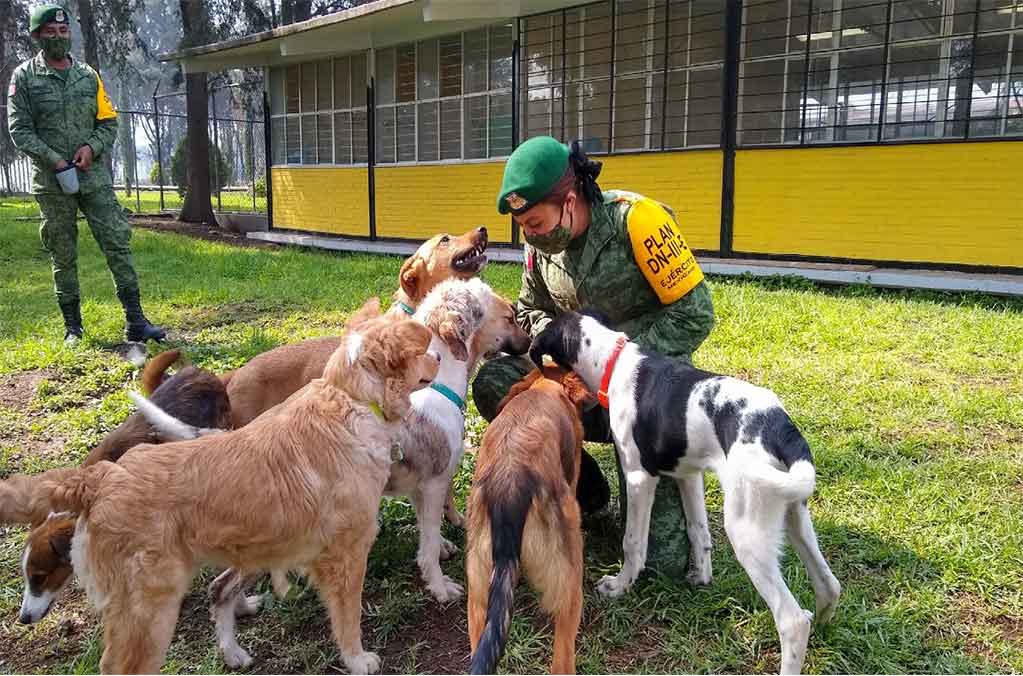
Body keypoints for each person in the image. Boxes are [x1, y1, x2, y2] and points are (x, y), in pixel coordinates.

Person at [472, 135, 715, 576]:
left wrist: (610, 371)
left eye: (536, 222)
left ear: (569, 201)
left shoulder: (639, 221)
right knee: (495, 383)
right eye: (523, 225)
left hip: (645, 395)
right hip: (575, 385)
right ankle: (587, 493)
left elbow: (694, 314)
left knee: (663, 568)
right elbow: (530, 309)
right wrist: (560, 362)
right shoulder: (541, 244)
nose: (529, 233)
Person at [7, 4, 165, 345]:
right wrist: (54, 160)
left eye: (63, 32)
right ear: (37, 36)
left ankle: (136, 321)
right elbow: (19, 130)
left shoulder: (88, 76)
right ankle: (73, 328)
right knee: (62, 252)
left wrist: (91, 148)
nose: (58, 37)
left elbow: (108, 122)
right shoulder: (24, 77)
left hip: (92, 178)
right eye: (50, 32)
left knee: (117, 243)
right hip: (52, 183)